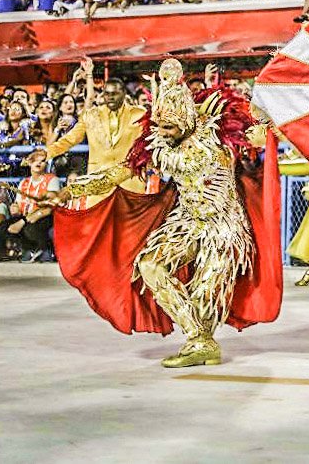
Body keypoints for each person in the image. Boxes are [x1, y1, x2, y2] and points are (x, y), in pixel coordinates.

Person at [51, 59, 281, 368]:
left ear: (186, 118)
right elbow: (120, 172)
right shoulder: (158, 145)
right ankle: (200, 340)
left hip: (224, 228)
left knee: (205, 296)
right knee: (150, 265)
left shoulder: (220, 136)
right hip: (185, 222)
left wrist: (280, 118)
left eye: (169, 126)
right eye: (160, 126)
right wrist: (74, 190)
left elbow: (265, 133)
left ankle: (201, 340)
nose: (163, 131)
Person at [45, 72, 147, 206]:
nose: (110, 97)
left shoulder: (140, 114)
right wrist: (47, 153)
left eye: (114, 93)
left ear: (123, 93)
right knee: (97, 226)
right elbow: (70, 139)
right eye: (107, 93)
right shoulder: (91, 115)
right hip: (98, 184)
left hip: (130, 183)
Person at [7, 148, 60, 262]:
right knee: (4, 226)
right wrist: (14, 208)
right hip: (26, 215)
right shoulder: (24, 182)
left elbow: (49, 206)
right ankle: (28, 249)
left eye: (42, 161)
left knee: (30, 227)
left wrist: (24, 220)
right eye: (35, 160)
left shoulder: (52, 179)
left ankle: (45, 249)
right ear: (29, 162)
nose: (39, 163)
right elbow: (18, 203)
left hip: (43, 216)